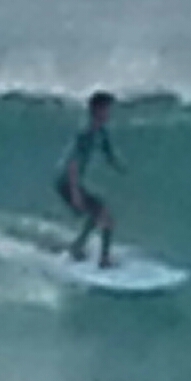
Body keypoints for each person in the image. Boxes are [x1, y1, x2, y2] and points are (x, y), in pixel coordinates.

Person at [55, 90, 126, 268]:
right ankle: (104, 260)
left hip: (73, 180)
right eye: (106, 109)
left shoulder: (101, 131)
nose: (109, 113)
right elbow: (73, 163)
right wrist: (75, 193)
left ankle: (77, 247)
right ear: (96, 110)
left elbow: (107, 151)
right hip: (65, 180)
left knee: (97, 214)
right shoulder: (84, 132)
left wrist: (118, 165)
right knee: (105, 217)